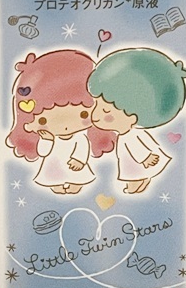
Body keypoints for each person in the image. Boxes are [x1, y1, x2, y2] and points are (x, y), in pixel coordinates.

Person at [7, 50, 115, 195]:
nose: (65, 125)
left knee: (76, 182)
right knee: (55, 182)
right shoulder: (48, 137)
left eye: (83, 114)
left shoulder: (80, 137)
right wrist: (47, 140)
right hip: (54, 165)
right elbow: (43, 152)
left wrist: (79, 160)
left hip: (74, 166)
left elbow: (82, 148)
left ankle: (74, 185)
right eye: (43, 120)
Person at [87, 48, 186, 194]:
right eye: (96, 104)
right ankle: (139, 182)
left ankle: (136, 184)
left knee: (134, 173)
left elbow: (137, 147)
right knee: (135, 173)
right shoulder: (127, 134)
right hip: (138, 160)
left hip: (140, 161)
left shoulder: (130, 136)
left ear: (132, 116)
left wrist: (144, 158)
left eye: (106, 111)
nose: (94, 116)